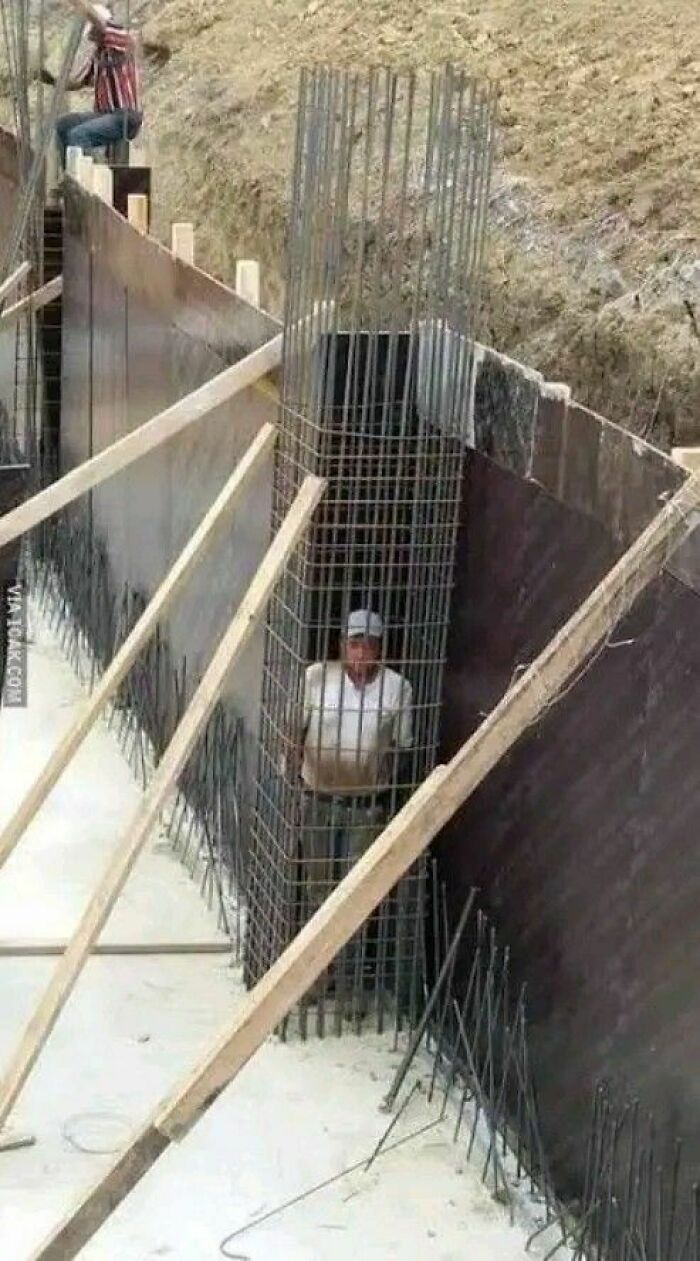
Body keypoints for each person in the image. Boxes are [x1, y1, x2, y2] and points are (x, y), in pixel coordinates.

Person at [292, 609, 413, 994]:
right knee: (318, 891)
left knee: (356, 898)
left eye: (369, 646)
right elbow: (292, 732)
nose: (360, 654)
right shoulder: (315, 678)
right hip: (318, 799)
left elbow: (403, 745)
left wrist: (379, 778)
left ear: (380, 650)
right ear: (342, 646)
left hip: (365, 807)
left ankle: (349, 986)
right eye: (354, 644)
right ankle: (314, 979)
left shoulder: (398, 688)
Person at [43, 4, 142, 167]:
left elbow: (99, 22)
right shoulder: (99, 55)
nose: (91, 37)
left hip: (124, 116)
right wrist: (51, 80)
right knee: (62, 125)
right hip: (106, 115)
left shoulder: (120, 40)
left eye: (92, 33)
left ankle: (84, 182)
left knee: (78, 135)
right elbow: (79, 82)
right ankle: (70, 172)